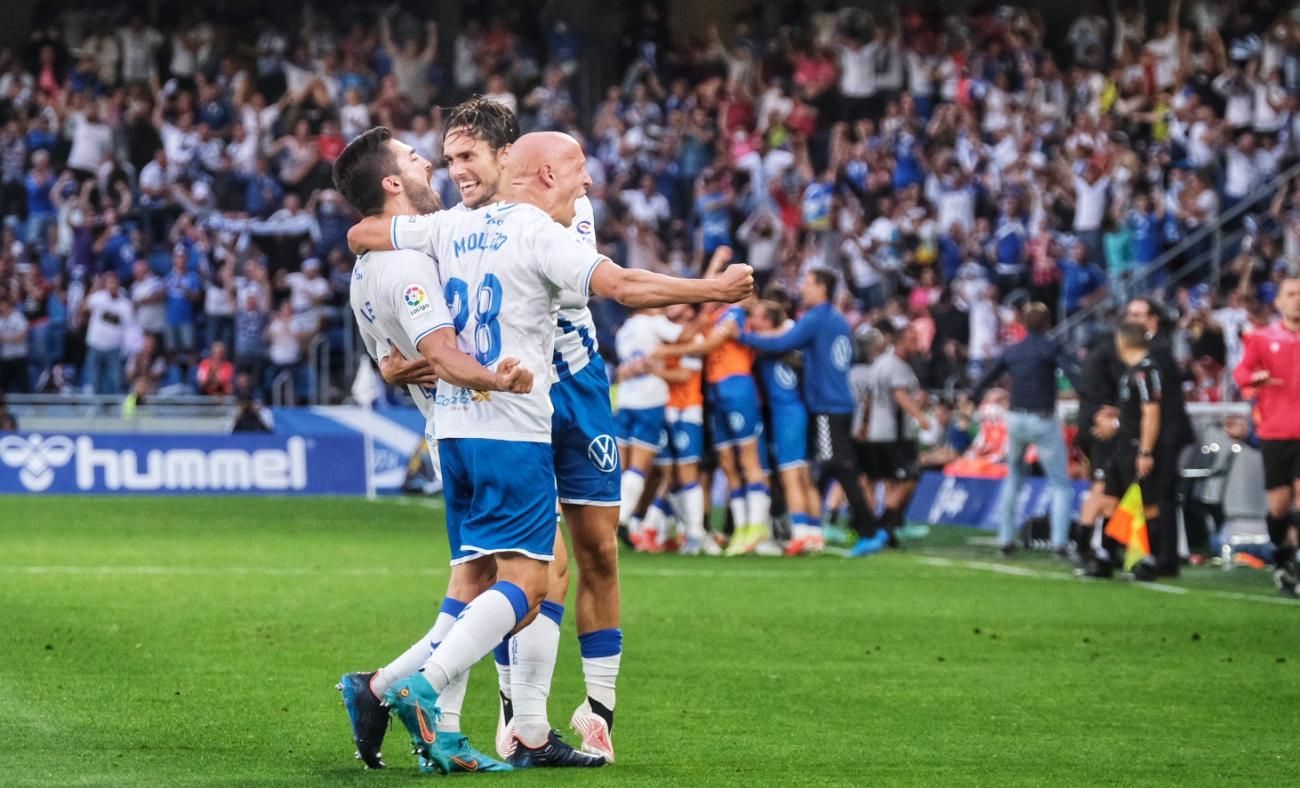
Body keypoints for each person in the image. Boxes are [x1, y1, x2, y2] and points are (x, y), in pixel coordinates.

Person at [341, 127, 752, 769]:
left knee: (488, 575)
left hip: (456, 428)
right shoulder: (527, 232)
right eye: (443, 160)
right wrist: (714, 290)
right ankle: (403, 688)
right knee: (531, 582)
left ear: (507, 162)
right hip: (508, 418)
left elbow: (361, 234)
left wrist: (419, 366)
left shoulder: (446, 228)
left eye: (463, 157)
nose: (452, 171)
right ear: (543, 175)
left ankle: (473, 728)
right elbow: (622, 286)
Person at [737, 269, 885, 557]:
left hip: (828, 406)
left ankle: (865, 529)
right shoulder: (837, 320)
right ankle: (818, 529)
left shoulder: (816, 318)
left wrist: (744, 338)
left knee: (836, 466)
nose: (802, 287)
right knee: (833, 466)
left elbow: (782, 343)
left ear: (822, 288)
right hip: (839, 402)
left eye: (807, 282)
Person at [972, 302, 1083, 555]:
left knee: (1014, 477)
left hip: (1015, 418)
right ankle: (1059, 542)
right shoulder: (1051, 347)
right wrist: (1089, 394)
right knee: (1060, 483)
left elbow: (987, 377)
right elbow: (1074, 374)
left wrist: (974, 395)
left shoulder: (1014, 351)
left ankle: (1005, 538)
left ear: (1023, 324)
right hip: (1042, 419)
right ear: (1047, 324)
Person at [1231, 277, 1300, 597]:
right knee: (1279, 507)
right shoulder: (1261, 338)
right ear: (1279, 302)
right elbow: (1241, 373)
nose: (1297, 299)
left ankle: (1296, 561)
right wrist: (1254, 378)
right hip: (1275, 432)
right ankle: (1284, 559)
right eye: (1291, 294)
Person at [748, 299, 823, 555]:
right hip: (799, 411)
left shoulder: (767, 345)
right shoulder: (790, 341)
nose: (752, 322)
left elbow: (755, 339)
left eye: (757, 317)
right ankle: (815, 533)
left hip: (786, 415)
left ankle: (800, 534)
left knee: (790, 476)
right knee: (803, 476)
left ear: (769, 321)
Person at [1103, 322, 1170, 581]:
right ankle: (1110, 554)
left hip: (1136, 447)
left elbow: (1151, 413)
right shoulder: (1131, 372)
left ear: (1122, 341)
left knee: (1148, 504)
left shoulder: (1146, 371)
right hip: (1123, 445)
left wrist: (1145, 451)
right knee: (1111, 501)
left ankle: (1149, 559)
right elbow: (1135, 412)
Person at [855, 321, 929, 551]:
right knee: (908, 479)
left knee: (888, 481)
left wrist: (864, 426)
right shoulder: (896, 366)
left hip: (877, 432)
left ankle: (882, 530)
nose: (917, 344)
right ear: (900, 341)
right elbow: (899, 394)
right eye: (912, 339)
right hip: (894, 434)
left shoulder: (879, 363)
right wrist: (921, 416)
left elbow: (868, 398)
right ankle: (883, 527)